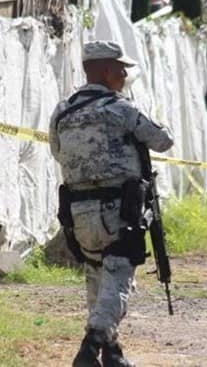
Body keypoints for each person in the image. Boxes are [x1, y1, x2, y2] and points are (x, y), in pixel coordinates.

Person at [49, 40, 174, 367]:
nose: (124, 75)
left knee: (97, 277)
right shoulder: (121, 109)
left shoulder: (63, 111)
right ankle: (90, 348)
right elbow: (164, 140)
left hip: (78, 214)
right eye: (121, 69)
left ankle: (112, 354)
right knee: (119, 279)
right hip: (119, 212)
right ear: (106, 71)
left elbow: (57, 152)